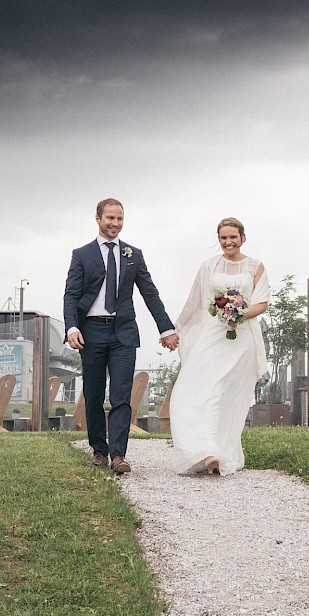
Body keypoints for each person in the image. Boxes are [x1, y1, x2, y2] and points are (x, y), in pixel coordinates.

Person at [64, 198, 179, 474]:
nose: (115, 224)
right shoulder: (82, 254)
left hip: (123, 333)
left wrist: (167, 328)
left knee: (121, 396)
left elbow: (149, 293)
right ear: (98, 219)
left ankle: (119, 455)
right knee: (93, 394)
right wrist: (72, 327)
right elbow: (71, 294)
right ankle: (99, 451)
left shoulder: (133, 254)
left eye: (119, 219)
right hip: (90, 331)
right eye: (110, 219)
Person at [169, 217, 269, 475]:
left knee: (226, 394)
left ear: (242, 238)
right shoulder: (209, 266)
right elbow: (194, 301)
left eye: (233, 237)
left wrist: (238, 315)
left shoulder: (255, 266)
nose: (228, 242)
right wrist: (175, 329)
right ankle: (203, 450)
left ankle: (219, 451)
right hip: (211, 335)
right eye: (223, 238)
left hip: (241, 338)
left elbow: (262, 303)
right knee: (197, 388)